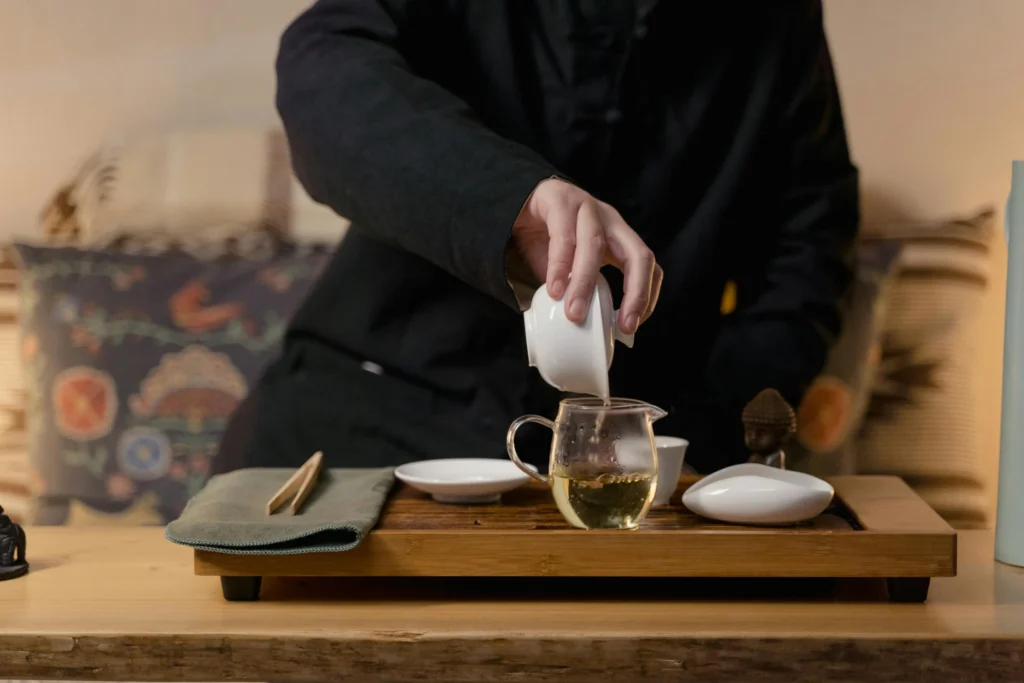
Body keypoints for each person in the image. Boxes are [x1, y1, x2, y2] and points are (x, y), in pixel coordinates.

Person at [213, 0, 858, 477]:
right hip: (358, 423)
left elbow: (808, 242)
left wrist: (709, 434)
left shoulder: (778, 20)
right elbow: (322, 68)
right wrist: (512, 202)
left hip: (628, 459)